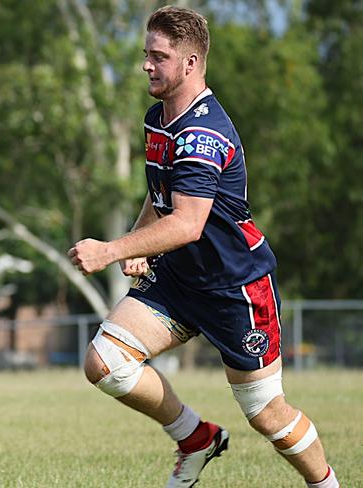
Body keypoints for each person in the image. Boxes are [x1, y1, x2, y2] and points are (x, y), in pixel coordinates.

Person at [68, 6, 338, 488]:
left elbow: (189, 223)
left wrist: (111, 249)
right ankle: (196, 438)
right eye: (145, 55)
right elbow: (161, 196)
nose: (146, 65)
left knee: (266, 413)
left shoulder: (202, 135)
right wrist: (139, 243)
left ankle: (327, 484)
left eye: (159, 56)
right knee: (104, 362)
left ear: (191, 63)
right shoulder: (159, 119)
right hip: (178, 280)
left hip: (235, 288)